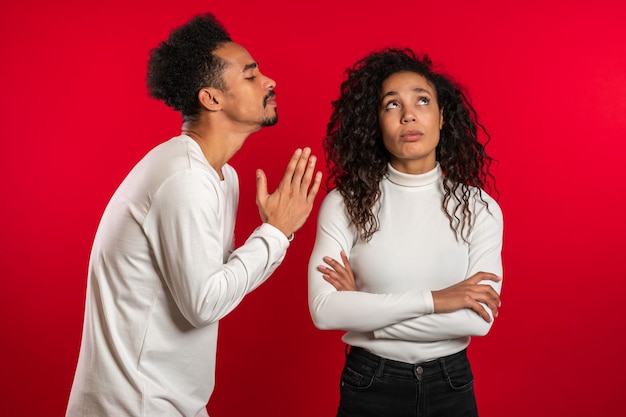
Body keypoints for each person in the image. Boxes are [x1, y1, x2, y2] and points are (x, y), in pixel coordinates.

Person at [66, 13, 322, 417]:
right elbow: (203, 303)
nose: (270, 81)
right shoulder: (184, 178)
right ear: (212, 98)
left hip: (174, 402)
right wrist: (275, 232)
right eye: (251, 76)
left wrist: (277, 233)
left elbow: (215, 286)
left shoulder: (222, 177)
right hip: (134, 406)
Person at [308, 48, 503, 417]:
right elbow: (325, 311)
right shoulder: (344, 203)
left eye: (422, 100)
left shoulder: (479, 208)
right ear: (377, 122)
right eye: (391, 104)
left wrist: (367, 318)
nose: (409, 114)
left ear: (443, 117)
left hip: (451, 384)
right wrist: (437, 299)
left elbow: (476, 320)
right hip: (370, 382)